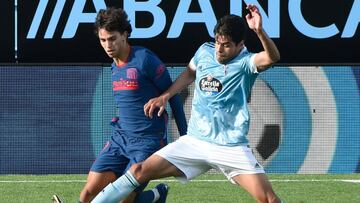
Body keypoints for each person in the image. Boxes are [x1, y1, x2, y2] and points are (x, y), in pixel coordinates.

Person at [91, 4, 282, 203]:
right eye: (217, 41)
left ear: (240, 45)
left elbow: (272, 57)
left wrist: (259, 31)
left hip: (229, 147)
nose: (219, 49)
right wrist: (165, 95)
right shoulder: (204, 52)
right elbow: (190, 74)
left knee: (269, 200)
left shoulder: (246, 63)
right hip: (195, 142)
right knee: (138, 171)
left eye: (226, 45)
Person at [53, 7, 188, 203]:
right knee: (88, 195)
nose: (108, 45)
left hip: (147, 142)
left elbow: (173, 95)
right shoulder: (114, 65)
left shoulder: (145, 59)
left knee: (123, 199)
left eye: (112, 38)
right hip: (120, 139)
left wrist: (185, 138)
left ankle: (153, 196)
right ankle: (154, 197)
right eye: (103, 40)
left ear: (125, 35)